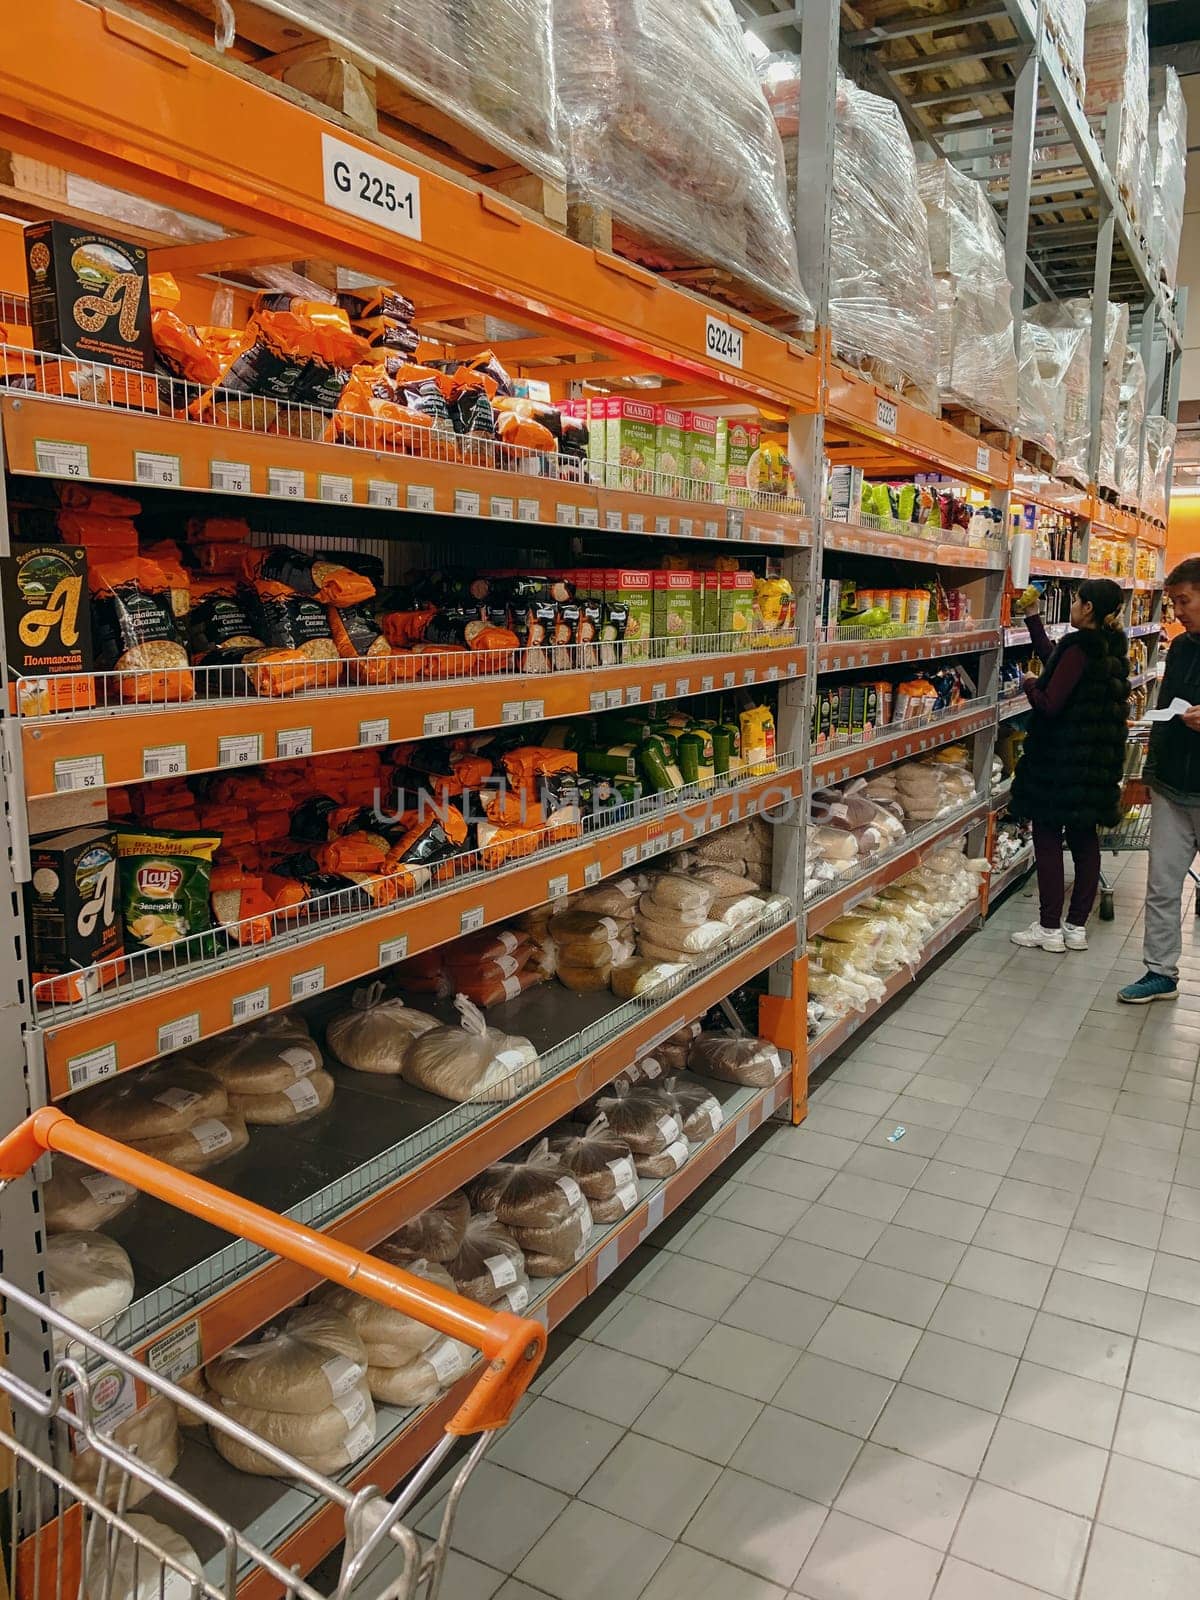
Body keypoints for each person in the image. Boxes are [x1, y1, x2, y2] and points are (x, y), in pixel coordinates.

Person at [1008, 576, 1130, 952]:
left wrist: (1028, 683)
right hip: (1092, 763)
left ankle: (1048, 928)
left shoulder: (1079, 648)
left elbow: (1049, 701)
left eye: (1076, 600)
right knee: (1083, 837)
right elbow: (1058, 666)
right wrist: (1033, 619)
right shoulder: (1108, 647)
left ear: (1088, 607)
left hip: (1061, 762)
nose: (1073, 605)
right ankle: (1075, 927)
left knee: (1046, 836)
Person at [1118, 557, 1200, 1003]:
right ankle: (1159, 971)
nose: (1178, 612)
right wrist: (1151, 771)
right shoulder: (1183, 648)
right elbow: (1167, 708)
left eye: (1184, 601)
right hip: (1171, 785)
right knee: (1162, 886)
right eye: (1173, 603)